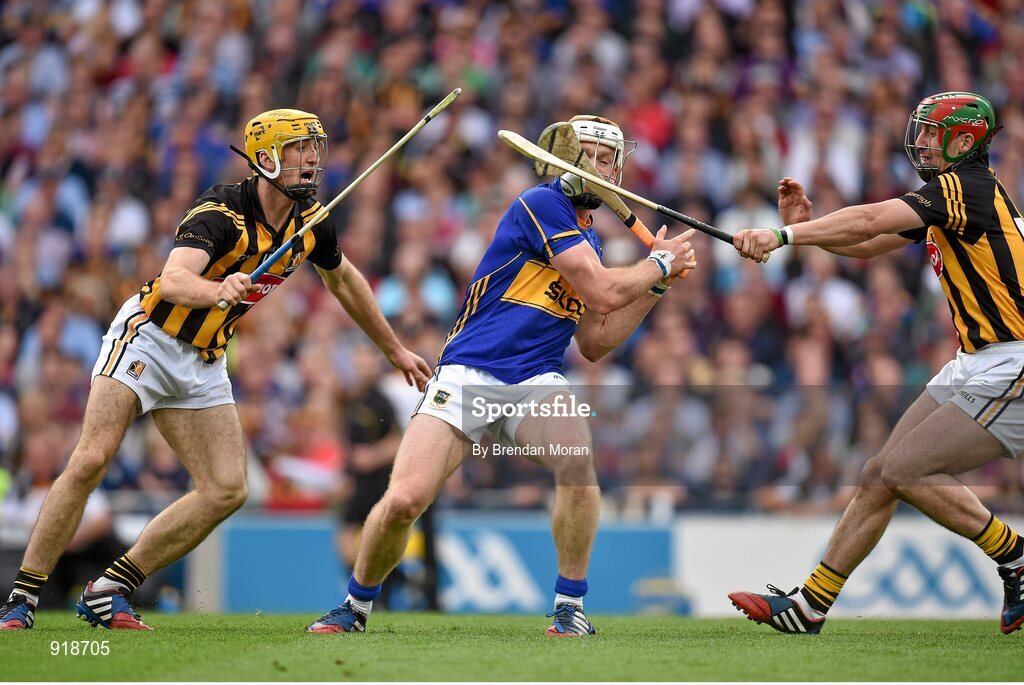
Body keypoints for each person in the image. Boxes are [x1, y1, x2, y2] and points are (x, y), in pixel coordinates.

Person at [0, 109, 431, 631]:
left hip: (204, 358)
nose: (314, 157)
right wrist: (218, 289)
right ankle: (21, 599)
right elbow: (175, 280)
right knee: (91, 459)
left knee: (228, 488)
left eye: (316, 145)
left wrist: (393, 350)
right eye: (300, 148)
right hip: (150, 339)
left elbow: (344, 281)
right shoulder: (220, 212)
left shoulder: (312, 219)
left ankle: (110, 587)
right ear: (267, 157)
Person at [306, 115, 697, 636]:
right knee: (403, 501)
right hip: (468, 373)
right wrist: (661, 265)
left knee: (578, 466)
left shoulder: (591, 243)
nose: (602, 169)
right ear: (568, 162)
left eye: (611, 161)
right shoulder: (541, 205)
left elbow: (597, 341)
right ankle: (354, 607)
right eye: (592, 157)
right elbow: (603, 292)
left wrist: (655, 286)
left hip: (535, 378)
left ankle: (568, 610)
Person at [728, 91, 1024, 635]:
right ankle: (812, 605)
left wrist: (782, 235)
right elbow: (867, 244)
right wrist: (809, 233)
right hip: (976, 359)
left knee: (905, 470)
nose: (923, 142)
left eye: (934, 133)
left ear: (965, 141)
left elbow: (866, 219)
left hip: (1015, 360)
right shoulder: (949, 195)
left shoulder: (967, 186)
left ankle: (1016, 557)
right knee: (878, 474)